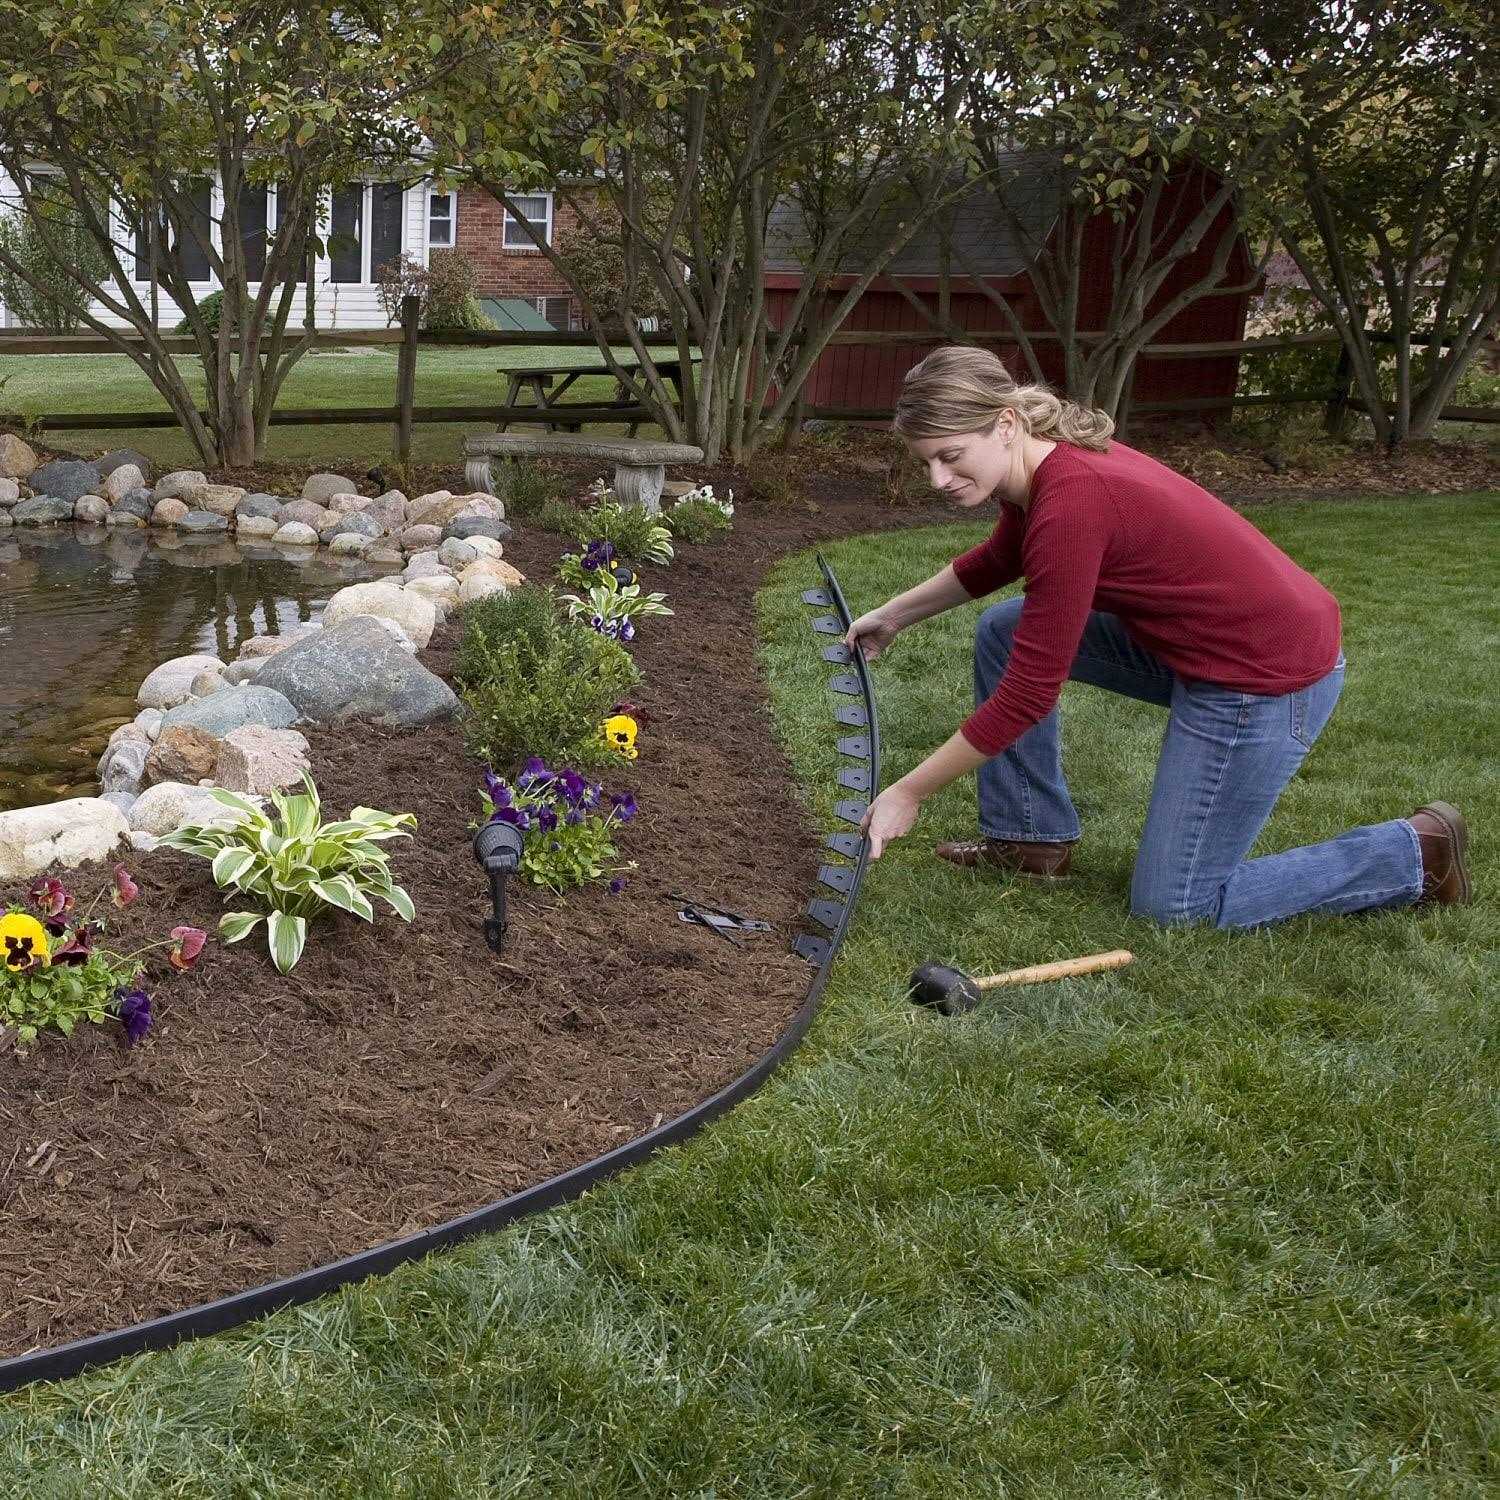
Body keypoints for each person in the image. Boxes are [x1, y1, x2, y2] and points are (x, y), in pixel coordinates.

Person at [844, 345, 1472, 928]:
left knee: (1178, 904)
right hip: (1207, 647)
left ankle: (1414, 852)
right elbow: (999, 559)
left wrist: (909, 791)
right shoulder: (1034, 469)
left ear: (1005, 424)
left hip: (1263, 677)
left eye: (951, 456)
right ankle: (1029, 838)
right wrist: (894, 615)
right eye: (926, 461)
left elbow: (1028, 695)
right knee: (1004, 630)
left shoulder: (1071, 502)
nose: (938, 479)